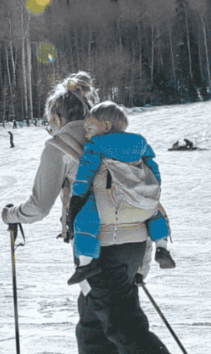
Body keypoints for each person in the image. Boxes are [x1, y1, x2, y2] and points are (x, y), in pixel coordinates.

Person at [1, 72, 193, 354]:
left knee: (121, 322)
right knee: (92, 321)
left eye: (49, 118)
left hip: (100, 246)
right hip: (137, 242)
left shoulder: (59, 145)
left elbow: (38, 206)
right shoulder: (110, 139)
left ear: (57, 116)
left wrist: (11, 215)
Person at [66, 100, 174, 286]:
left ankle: (85, 264)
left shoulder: (96, 144)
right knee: (157, 213)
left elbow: (85, 174)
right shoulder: (140, 143)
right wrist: (149, 191)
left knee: (84, 220)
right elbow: (153, 170)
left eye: (90, 127)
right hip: (139, 204)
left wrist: (76, 199)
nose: (87, 132)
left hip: (110, 204)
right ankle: (162, 247)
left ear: (106, 126)